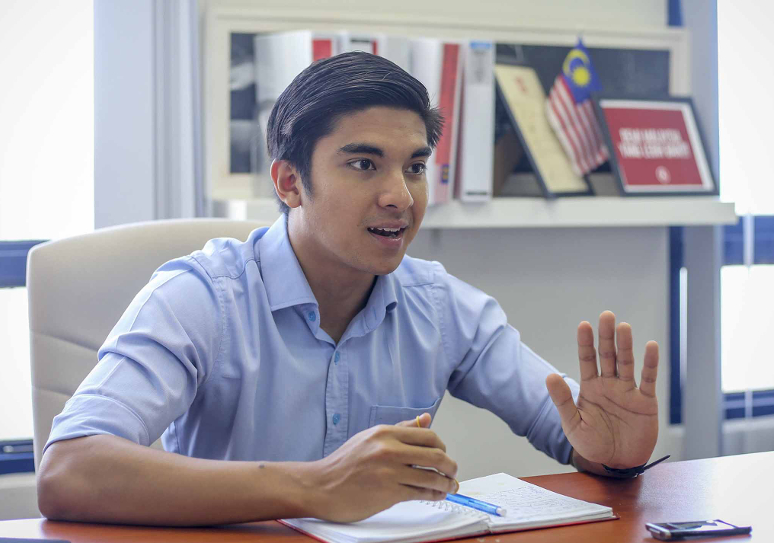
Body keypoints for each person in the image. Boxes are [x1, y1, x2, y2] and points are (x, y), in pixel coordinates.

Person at [37, 52, 659, 526]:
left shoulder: (442, 305)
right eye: (364, 165)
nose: (401, 196)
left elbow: (576, 436)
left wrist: (613, 454)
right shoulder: (200, 296)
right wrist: (314, 485)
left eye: (414, 166)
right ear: (289, 183)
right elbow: (69, 470)